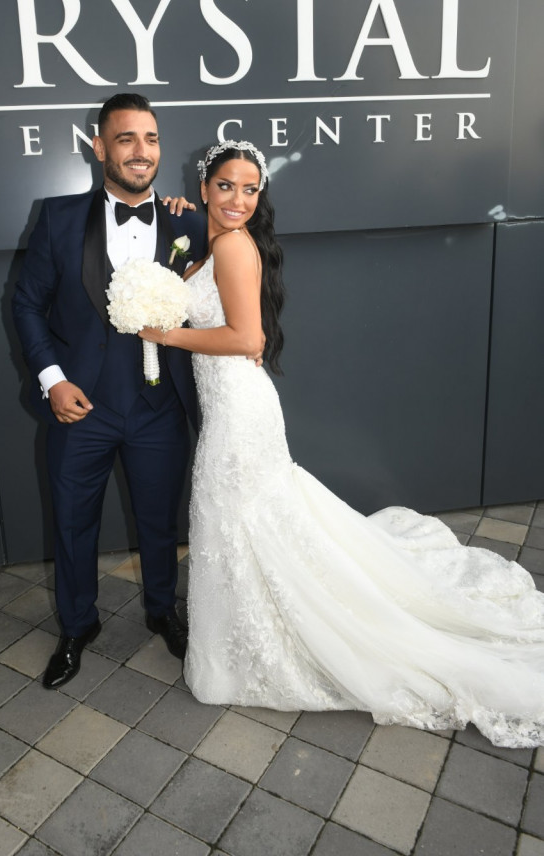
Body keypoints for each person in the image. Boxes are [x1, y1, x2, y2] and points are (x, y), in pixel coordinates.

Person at [139, 140, 544, 748]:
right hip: (233, 403)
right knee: (241, 520)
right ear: (203, 188)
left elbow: (247, 338)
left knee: (238, 516)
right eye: (225, 186)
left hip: (239, 409)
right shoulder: (216, 238)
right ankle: (244, 636)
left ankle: (254, 645)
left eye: (250, 189)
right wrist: (184, 221)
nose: (238, 199)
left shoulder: (232, 245)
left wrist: (166, 335)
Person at [12, 93, 206, 688]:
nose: (140, 151)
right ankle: (77, 627)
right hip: (81, 409)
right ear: (99, 148)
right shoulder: (58, 218)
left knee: (160, 522)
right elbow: (26, 304)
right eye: (125, 139)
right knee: (72, 524)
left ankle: (162, 611)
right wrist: (53, 380)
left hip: (159, 408)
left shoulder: (188, 223)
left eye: (150, 139)